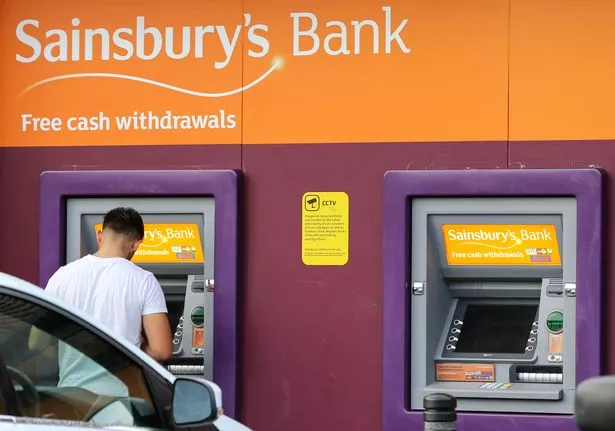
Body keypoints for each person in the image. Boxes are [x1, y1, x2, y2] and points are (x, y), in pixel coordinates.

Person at [28, 207, 172, 423]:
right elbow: (162, 350)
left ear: (100, 235)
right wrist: (132, 352)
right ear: (136, 243)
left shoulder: (61, 276)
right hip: (120, 405)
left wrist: (69, 353)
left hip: (71, 403)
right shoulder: (143, 280)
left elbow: (36, 342)